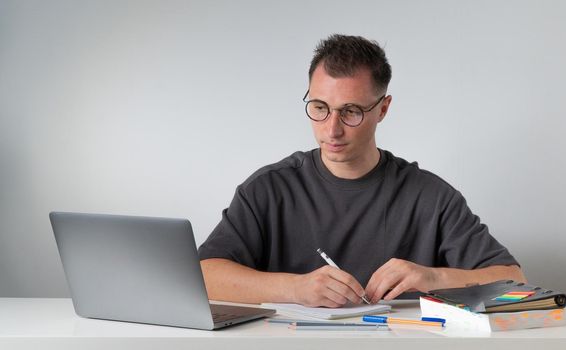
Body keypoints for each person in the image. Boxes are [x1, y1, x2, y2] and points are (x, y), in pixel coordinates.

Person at [198, 34, 525, 308]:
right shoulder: (268, 189)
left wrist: (434, 277)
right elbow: (204, 274)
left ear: (383, 109)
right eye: (319, 108)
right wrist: (295, 289)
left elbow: (515, 281)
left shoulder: (430, 197)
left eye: (351, 111)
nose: (331, 130)